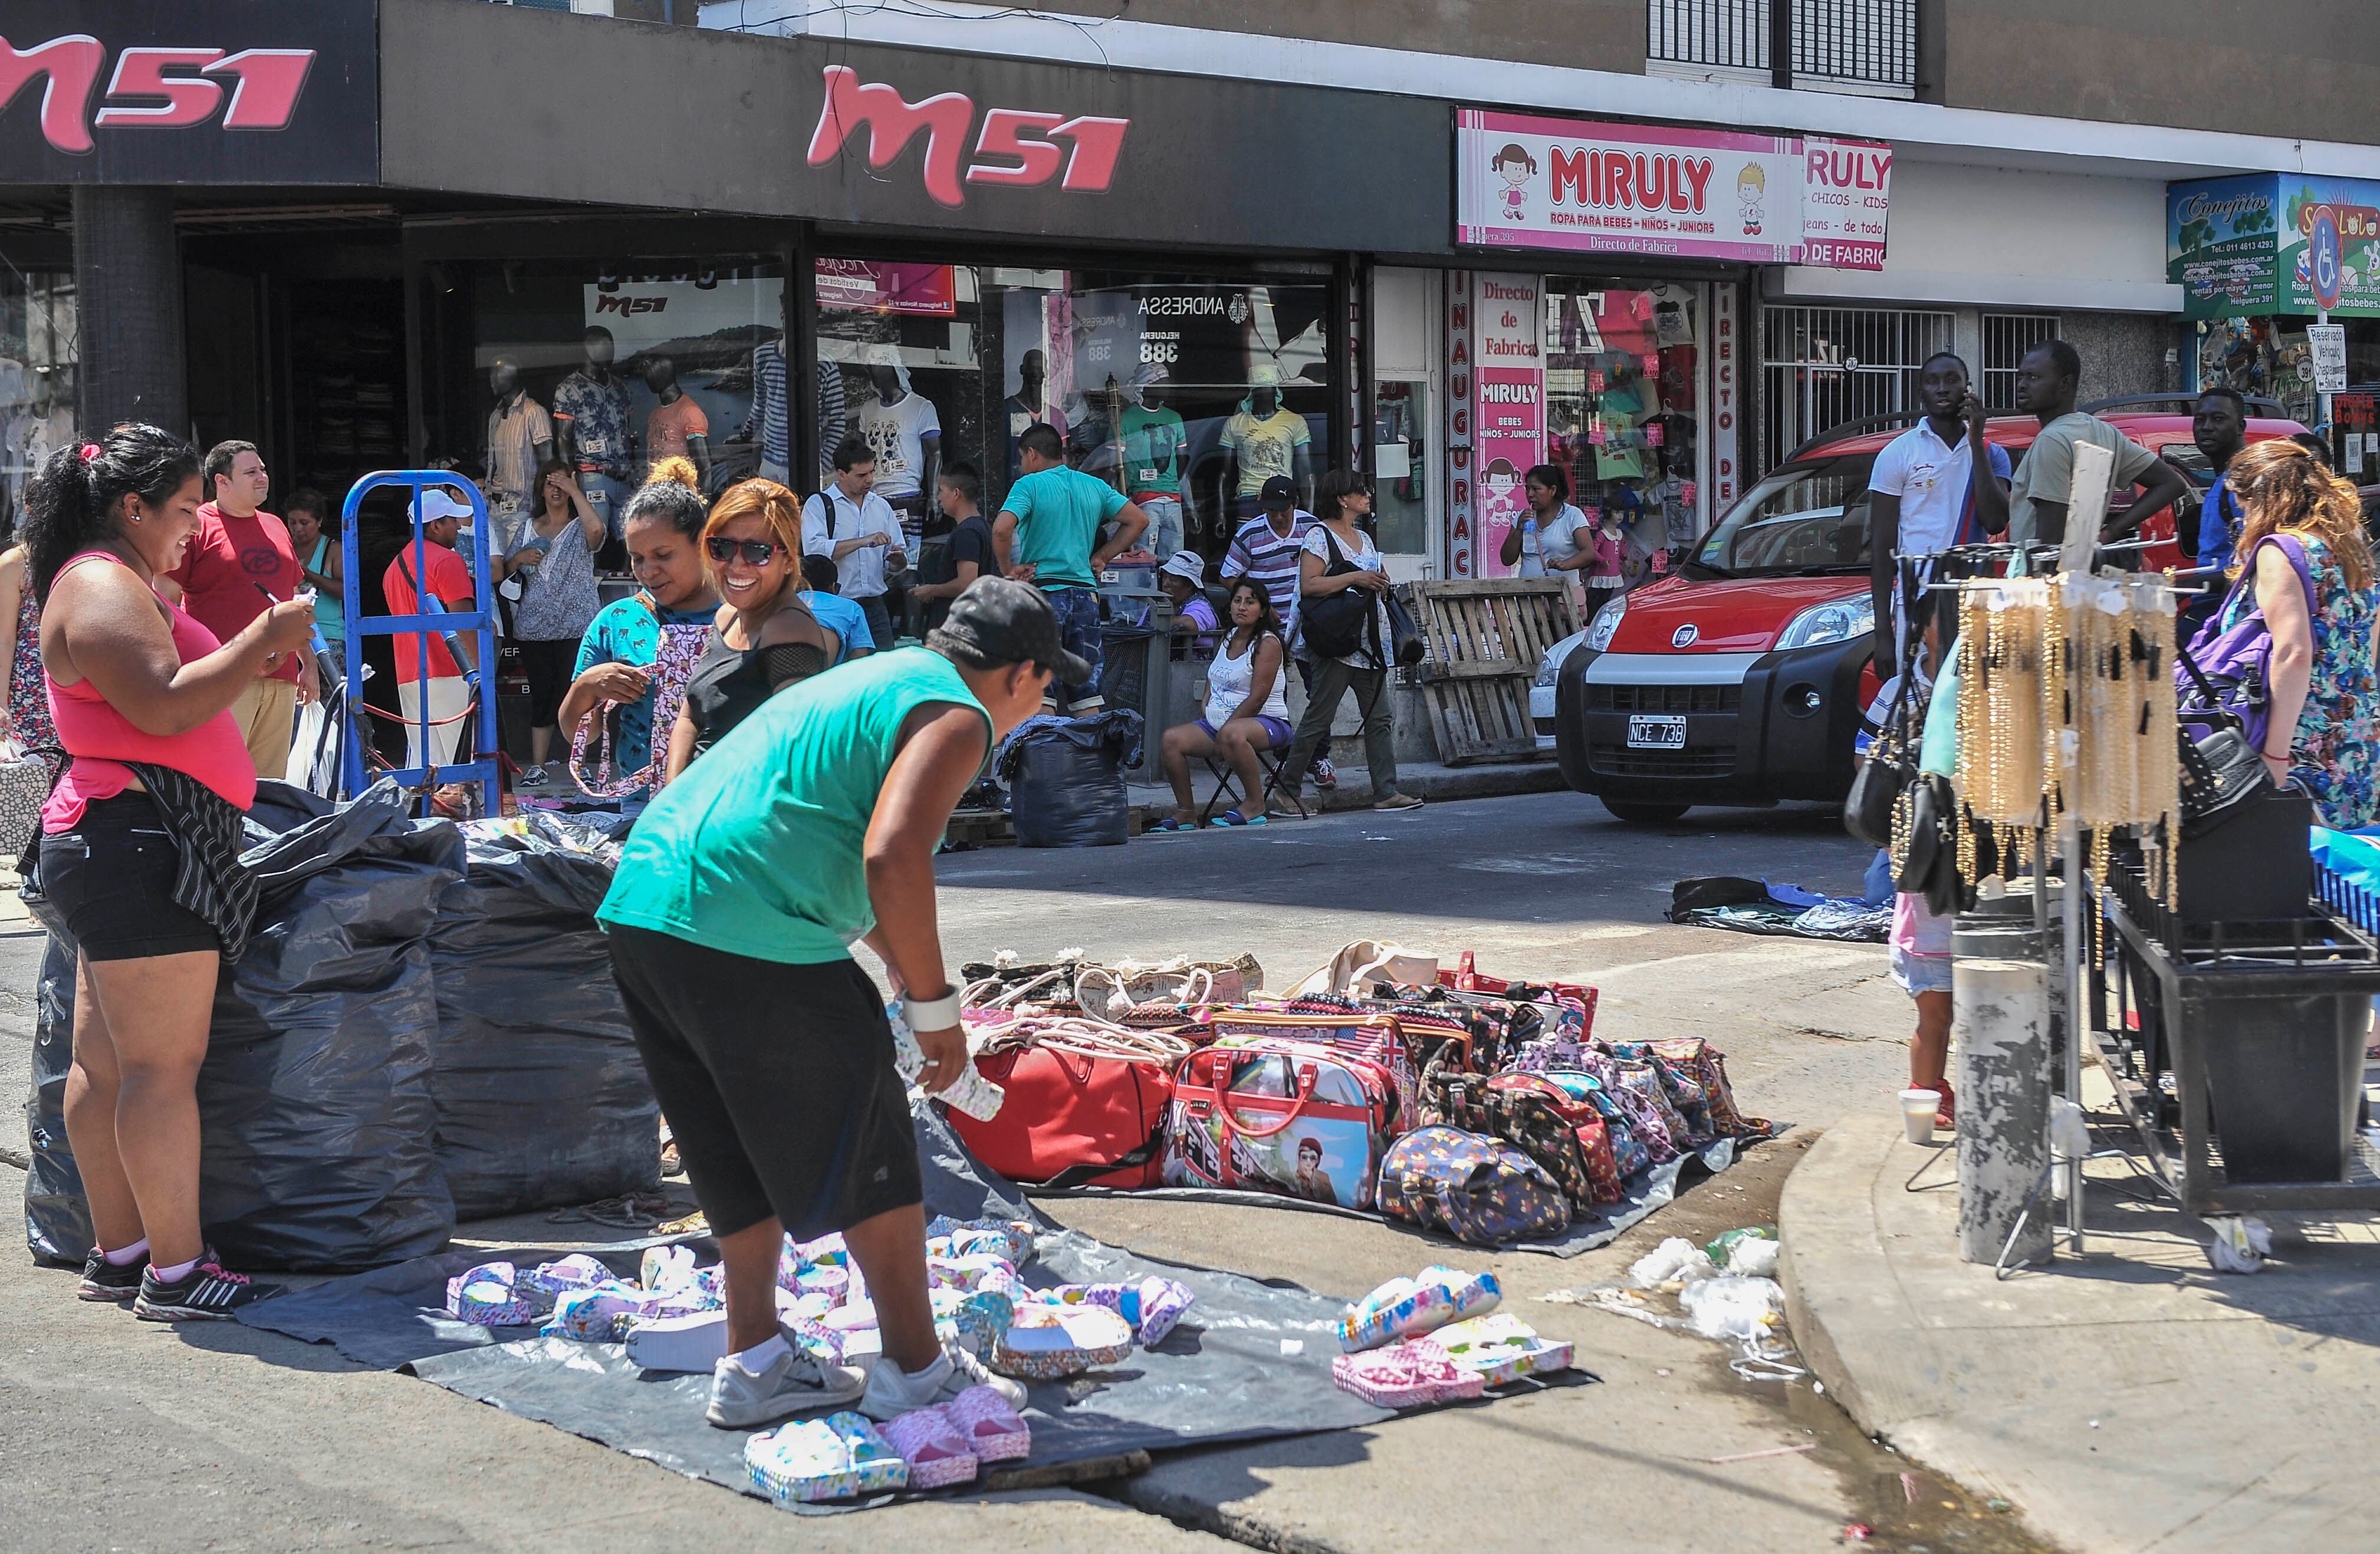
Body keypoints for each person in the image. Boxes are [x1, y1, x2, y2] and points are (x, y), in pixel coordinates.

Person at [596, 577, 1069, 1428]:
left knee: (732, 1147)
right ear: (1020, 673)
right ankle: (918, 1370)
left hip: (645, 904)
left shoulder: (875, 678)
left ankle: (756, 1361)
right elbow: (894, 859)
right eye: (1045, 684)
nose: (1042, 702)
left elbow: (843, 848)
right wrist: (934, 1011)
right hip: (742, 920)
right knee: (870, 1132)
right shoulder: (957, 713)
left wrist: (900, 971)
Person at [26, 424, 316, 1319]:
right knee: (157, 1070)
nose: (195, 526)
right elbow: (162, 705)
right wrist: (263, 637)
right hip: (139, 841)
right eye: (186, 508)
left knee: (108, 1066)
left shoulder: (105, 581)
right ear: (132, 507)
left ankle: (124, 1254)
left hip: (121, 838)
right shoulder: (104, 586)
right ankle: (180, 1273)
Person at [2214, 439, 2380, 829]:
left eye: (2244, 506)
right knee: (2349, 870)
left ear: (2264, 497)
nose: (2243, 519)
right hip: (2357, 732)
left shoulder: (2281, 552)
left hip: (2301, 739)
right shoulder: (2348, 543)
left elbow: (2293, 652)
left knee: (2297, 872)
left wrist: (2275, 755)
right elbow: (2370, 632)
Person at [558, 478, 721, 809]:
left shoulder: (742, 613)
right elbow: (581, 735)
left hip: (730, 803)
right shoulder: (616, 621)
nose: (648, 571)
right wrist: (587, 688)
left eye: (663, 555)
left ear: (702, 543)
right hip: (643, 808)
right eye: (637, 558)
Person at [667, 479, 843, 779]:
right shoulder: (727, 616)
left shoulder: (788, 628)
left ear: (788, 561)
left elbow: (794, 754)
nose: (736, 565)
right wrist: (672, 801)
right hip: (696, 810)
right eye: (721, 547)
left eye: (757, 552)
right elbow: (690, 716)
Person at [158, 440, 311, 781]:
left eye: (263, 470)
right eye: (251, 472)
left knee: (271, 788)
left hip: (281, 679)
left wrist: (308, 664)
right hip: (221, 678)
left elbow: (293, 602)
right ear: (222, 482)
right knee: (219, 781)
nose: (262, 478)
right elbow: (164, 601)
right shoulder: (196, 525)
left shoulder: (275, 525)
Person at [1274, 469, 1422, 814]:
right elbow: (1309, 586)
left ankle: (1385, 791)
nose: (1367, 495)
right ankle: (1286, 790)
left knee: (1380, 717)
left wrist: (1378, 580)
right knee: (1319, 718)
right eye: (1359, 492)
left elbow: (1370, 582)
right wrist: (1356, 576)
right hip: (1336, 644)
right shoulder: (1318, 536)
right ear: (1342, 499)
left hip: (1368, 644)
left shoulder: (1364, 539)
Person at [1867, 353, 2014, 686]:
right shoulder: (1898, 453)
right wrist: (1882, 634)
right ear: (1921, 393)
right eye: (1932, 382)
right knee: (1920, 701)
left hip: (1974, 594)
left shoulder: (1992, 454)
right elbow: (1881, 546)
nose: (1943, 389)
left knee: (1974, 697)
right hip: (1917, 595)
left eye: (1952, 380)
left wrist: (1975, 441)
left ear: (1968, 388)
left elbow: (1994, 522)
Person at [994, 422, 1149, 714]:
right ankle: (1087, 758)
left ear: (1032, 454)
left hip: (1044, 596)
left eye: (1023, 460)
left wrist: (1009, 569)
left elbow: (1002, 529)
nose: (1023, 467)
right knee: (1087, 696)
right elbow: (1138, 520)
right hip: (1085, 600)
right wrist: (1102, 556)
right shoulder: (1093, 485)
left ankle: (1044, 760)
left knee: (1040, 695)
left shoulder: (1029, 485)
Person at [2004, 340, 2190, 553]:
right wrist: (2109, 533)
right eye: (2021, 376)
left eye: (2034, 377)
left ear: (2065, 384)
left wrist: (2111, 531)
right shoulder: (2104, 432)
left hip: (2047, 579)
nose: (2022, 385)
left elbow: (2048, 546)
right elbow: (2172, 483)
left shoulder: (2053, 440)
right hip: (2081, 574)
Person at [1220, 475, 1332, 788]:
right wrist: (1257, 602)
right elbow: (1228, 576)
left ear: (1295, 505)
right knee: (1271, 696)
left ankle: (1319, 758)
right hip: (1268, 631)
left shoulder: (1313, 529)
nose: (1278, 516)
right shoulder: (1250, 533)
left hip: (1309, 625)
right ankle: (1284, 760)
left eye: (1284, 509)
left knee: (1318, 692)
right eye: (1272, 510)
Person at [1155, 577, 1291, 831]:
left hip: (1268, 722)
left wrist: (1226, 727)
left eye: (1250, 602)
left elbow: (1257, 697)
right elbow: (1214, 674)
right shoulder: (1229, 637)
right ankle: (1186, 812)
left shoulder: (1268, 644)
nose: (1241, 607)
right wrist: (1207, 702)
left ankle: (1254, 804)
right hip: (1221, 727)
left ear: (1262, 610)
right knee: (1171, 740)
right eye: (1237, 601)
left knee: (1232, 733)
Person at [508, 461, 607, 789]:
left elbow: (598, 533)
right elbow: (505, 568)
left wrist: (575, 489)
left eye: (561, 484)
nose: (555, 490)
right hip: (534, 627)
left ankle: (581, 762)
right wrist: (519, 559)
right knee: (542, 696)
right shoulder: (526, 527)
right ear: (539, 489)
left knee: (579, 694)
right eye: (549, 484)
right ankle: (538, 766)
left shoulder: (580, 526)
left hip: (576, 626)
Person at [380, 486, 482, 774]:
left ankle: (428, 817)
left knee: (427, 768)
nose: (459, 527)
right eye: (452, 520)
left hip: (410, 676)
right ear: (436, 525)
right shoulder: (447, 561)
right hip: (452, 673)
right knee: (465, 764)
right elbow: (464, 623)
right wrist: (479, 674)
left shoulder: (393, 568)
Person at [801, 437, 906, 653]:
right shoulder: (820, 504)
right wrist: (864, 541)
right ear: (841, 474)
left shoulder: (881, 506)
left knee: (884, 672)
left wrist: (897, 561)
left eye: (871, 472)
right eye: (861, 475)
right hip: (836, 605)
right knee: (841, 674)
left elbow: (896, 560)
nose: (869, 480)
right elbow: (815, 552)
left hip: (875, 605)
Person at [1498, 464, 1611, 609]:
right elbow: (1507, 559)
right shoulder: (1523, 517)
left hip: (1563, 603)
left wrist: (1566, 564)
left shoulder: (1573, 516)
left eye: (1536, 489)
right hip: (1528, 603)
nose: (1530, 494)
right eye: (1527, 489)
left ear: (1552, 491)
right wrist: (1519, 530)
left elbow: (1589, 553)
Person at [905, 462, 994, 632]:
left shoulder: (966, 532)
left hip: (960, 629)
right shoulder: (982, 526)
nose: (938, 497)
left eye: (940, 490)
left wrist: (932, 591)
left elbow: (967, 583)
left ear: (956, 493)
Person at [0, 532, 57, 752]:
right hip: (26, 695)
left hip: (72, 689)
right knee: (30, 776)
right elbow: (4, 638)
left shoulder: (86, 557)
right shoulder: (16, 563)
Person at [285, 488, 345, 681]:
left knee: (332, 705)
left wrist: (309, 574)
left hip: (330, 638)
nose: (298, 529)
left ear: (319, 522)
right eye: (292, 522)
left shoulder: (333, 549)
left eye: (305, 523)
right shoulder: (285, 547)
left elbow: (346, 591)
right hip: (293, 639)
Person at [798, 554, 874, 666]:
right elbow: (859, 660)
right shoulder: (852, 607)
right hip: (823, 675)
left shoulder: (780, 603)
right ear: (833, 587)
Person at [1158, 549, 1220, 654]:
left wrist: (1155, 624)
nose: (1166, 584)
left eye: (1173, 580)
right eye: (1165, 577)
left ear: (1190, 585)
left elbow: (1188, 624)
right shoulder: (1160, 602)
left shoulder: (1201, 606)